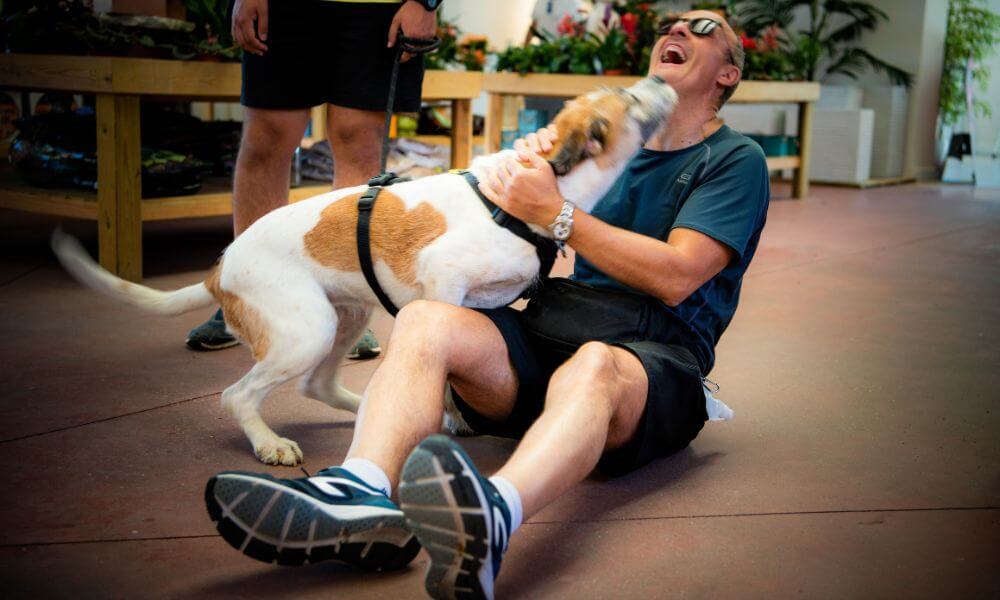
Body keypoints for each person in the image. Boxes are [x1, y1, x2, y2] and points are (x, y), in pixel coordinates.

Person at [203, 10, 768, 599]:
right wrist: (516, 177)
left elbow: (677, 276)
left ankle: (493, 515)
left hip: (650, 361)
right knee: (424, 319)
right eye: (672, 25)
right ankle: (358, 492)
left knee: (596, 364)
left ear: (727, 75)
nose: (678, 31)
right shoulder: (606, 147)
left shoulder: (733, 160)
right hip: (550, 333)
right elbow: (503, 219)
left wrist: (553, 211)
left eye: (703, 30)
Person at [185, 0, 442, 358]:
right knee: (268, 136)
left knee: (359, 140)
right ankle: (247, 293)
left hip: (376, 7)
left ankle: (346, 308)